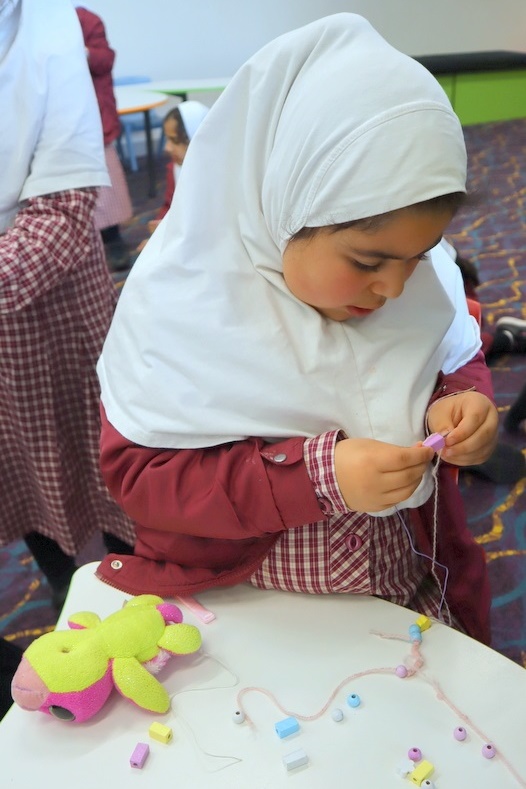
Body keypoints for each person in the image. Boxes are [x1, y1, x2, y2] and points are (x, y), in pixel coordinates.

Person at [96, 14, 498, 645]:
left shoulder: (417, 280)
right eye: (367, 263)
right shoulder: (179, 310)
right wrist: (317, 476)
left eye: (416, 258)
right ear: (281, 211)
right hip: (250, 609)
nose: (394, 288)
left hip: (407, 587)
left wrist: (462, 404)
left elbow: (449, 352)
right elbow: (146, 481)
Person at [0, 0, 135, 610]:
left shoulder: (49, 28)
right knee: (17, 472)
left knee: (97, 456)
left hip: (48, 303)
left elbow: (60, 210)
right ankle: (63, 585)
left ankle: (132, 577)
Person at [76, 6, 133, 272]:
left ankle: (114, 242)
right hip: (58, 125)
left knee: (106, 188)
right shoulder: (29, 24)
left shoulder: (85, 19)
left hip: (94, 120)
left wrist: (78, 51)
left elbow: (104, 59)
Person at [136, 101, 209, 252]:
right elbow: (170, 205)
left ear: (197, 138)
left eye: (175, 141)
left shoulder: (218, 175)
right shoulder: (174, 168)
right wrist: (161, 225)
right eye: (167, 139)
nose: (167, 148)